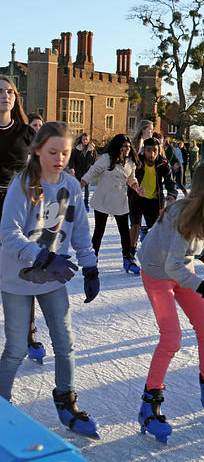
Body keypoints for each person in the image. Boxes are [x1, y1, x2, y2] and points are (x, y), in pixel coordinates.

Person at [0, 121, 101, 437]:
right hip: (17, 277)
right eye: (53, 152)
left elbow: (82, 232)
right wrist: (43, 257)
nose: (59, 158)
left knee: (65, 342)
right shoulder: (23, 184)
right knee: (16, 348)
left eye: (65, 153)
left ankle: (66, 401)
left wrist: (90, 267)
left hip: (53, 277)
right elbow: (8, 234)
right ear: (37, 151)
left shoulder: (70, 186)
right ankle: (2, 407)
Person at [135, 159, 204, 443]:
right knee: (171, 338)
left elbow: (187, 259)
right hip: (158, 272)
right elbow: (171, 266)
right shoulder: (183, 212)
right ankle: (149, 404)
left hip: (183, 268)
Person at [0, 75, 45, 363]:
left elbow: (39, 173)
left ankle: (27, 334)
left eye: (9, 92)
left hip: (16, 207)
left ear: (16, 98)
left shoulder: (26, 134)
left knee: (21, 273)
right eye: (0, 91)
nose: (5, 95)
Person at [81, 134, 144, 273]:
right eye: (124, 146)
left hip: (120, 200)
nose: (127, 149)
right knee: (99, 231)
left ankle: (127, 259)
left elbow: (131, 179)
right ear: (118, 147)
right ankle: (92, 259)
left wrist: (136, 187)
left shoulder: (130, 162)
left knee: (124, 233)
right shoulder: (106, 159)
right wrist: (82, 183)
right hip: (103, 199)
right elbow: (93, 172)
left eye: (128, 146)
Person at [129, 138, 178, 255]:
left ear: (159, 150)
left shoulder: (163, 163)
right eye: (148, 150)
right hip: (137, 198)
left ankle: (156, 253)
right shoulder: (138, 162)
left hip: (155, 199)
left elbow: (170, 182)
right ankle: (130, 253)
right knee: (135, 225)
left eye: (155, 151)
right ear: (143, 150)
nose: (152, 154)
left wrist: (171, 195)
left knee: (157, 227)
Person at [67, 132, 96, 210]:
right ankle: (77, 203)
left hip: (88, 172)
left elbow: (94, 161)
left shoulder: (92, 150)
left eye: (86, 139)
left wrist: (93, 168)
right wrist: (72, 168)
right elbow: (72, 160)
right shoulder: (77, 149)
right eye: (83, 139)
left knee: (87, 189)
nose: (85, 141)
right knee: (78, 188)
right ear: (81, 139)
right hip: (78, 171)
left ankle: (86, 204)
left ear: (89, 140)